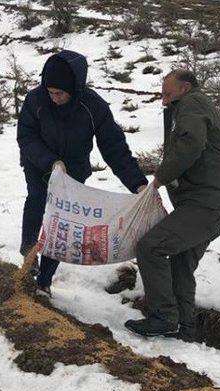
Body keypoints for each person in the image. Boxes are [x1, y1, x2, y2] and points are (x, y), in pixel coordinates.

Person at [17, 50, 148, 295]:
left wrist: (138, 184)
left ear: (74, 89)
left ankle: (44, 281)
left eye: (60, 93)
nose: (54, 98)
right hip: (39, 164)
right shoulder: (36, 101)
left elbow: (114, 148)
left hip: (73, 170)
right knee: (36, 200)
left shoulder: (93, 107)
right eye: (50, 92)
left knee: (62, 220)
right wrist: (51, 161)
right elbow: (26, 137)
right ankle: (28, 256)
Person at [125, 69, 220, 337]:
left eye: (167, 94)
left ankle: (163, 318)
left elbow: (190, 144)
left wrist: (161, 178)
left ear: (184, 88)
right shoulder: (194, 104)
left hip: (205, 205)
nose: (164, 101)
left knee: (151, 247)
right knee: (181, 264)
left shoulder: (191, 104)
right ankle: (184, 327)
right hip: (212, 205)